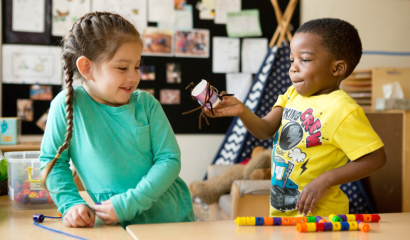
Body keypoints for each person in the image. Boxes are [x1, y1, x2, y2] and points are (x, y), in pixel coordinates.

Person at [204, 18, 387, 217]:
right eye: (292, 60)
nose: (293, 67)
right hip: (282, 213)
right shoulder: (292, 94)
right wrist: (242, 111)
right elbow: (265, 129)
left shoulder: (342, 109)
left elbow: (376, 158)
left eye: (305, 60)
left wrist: (325, 180)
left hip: (320, 217)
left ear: (337, 68)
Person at [40, 12, 194, 228]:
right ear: (87, 68)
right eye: (122, 68)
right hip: (112, 223)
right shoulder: (67, 106)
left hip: (168, 219)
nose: (134, 76)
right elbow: (53, 163)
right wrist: (70, 204)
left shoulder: (147, 104)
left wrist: (131, 202)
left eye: (137, 66)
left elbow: (169, 159)